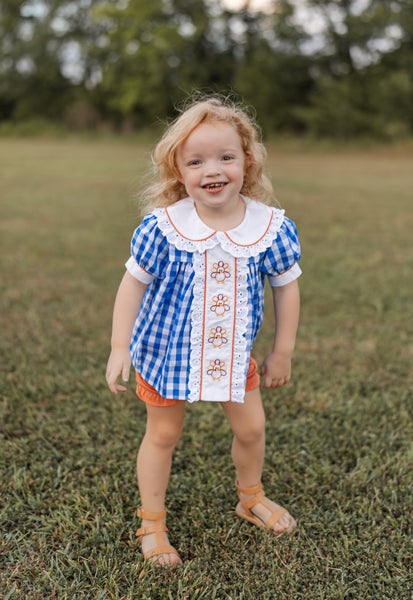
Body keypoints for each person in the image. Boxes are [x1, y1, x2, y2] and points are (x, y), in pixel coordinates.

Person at [106, 96, 302, 566]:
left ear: (246, 161)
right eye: (196, 161)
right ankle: (152, 523)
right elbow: (132, 284)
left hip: (233, 355)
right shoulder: (164, 227)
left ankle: (250, 497)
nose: (212, 170)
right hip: (163, 352)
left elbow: (287, 288)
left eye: (225, 157)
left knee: (253, 428)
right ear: (178, 171)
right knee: (163, 435)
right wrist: (119, 346)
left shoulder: (268, 228)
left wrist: (283, 351)